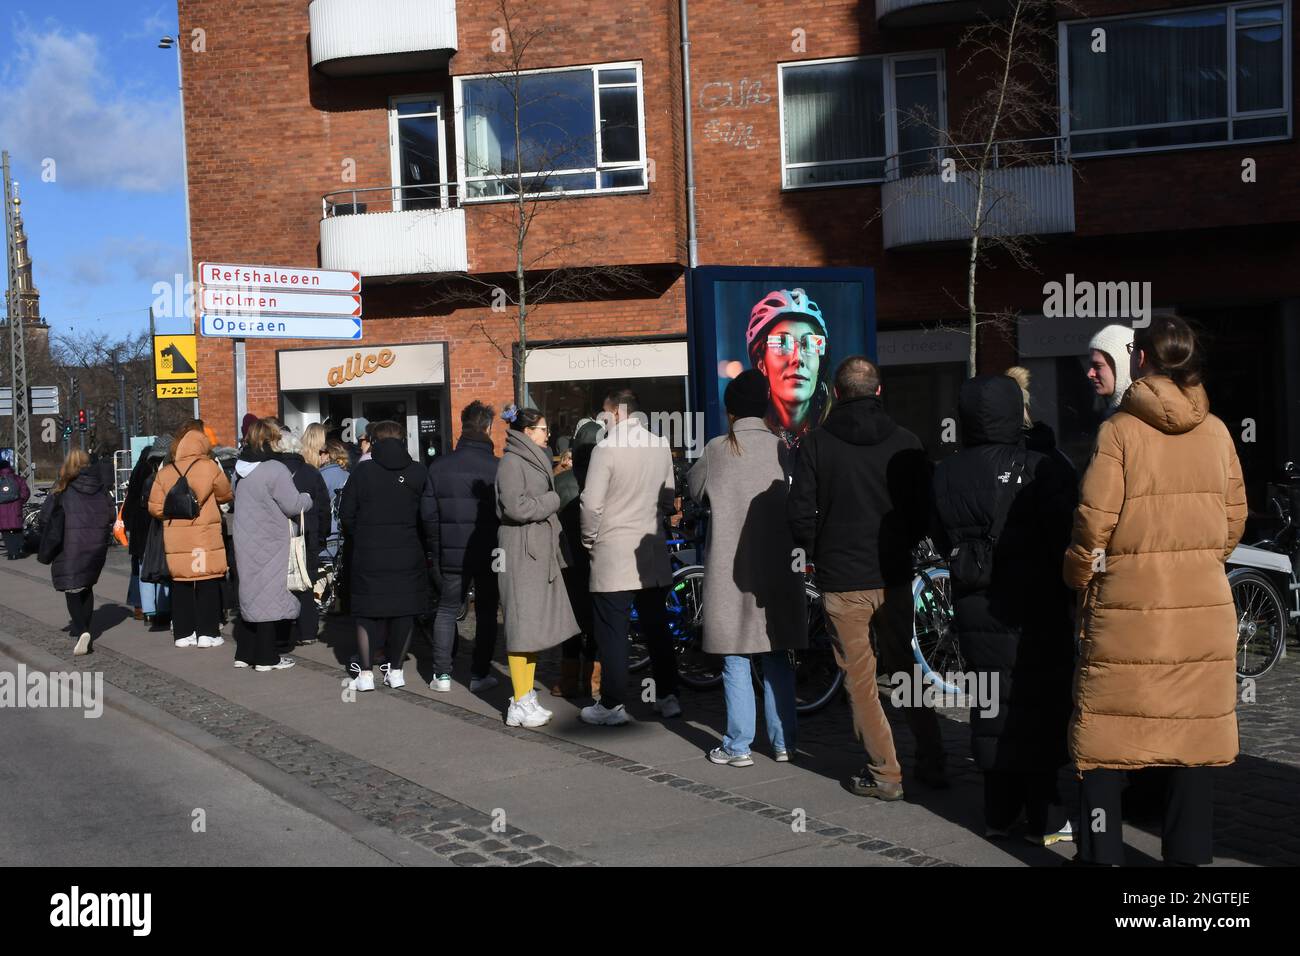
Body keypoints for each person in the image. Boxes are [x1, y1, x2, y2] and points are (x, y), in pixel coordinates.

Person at [1064, 315, 1246, 866]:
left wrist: (1077, 574)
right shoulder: (1216, 431)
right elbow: (1235, 520)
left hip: (1128, 608)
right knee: (1192, 749)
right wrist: (1197, 563)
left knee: (1103, 746)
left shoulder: (1119, 431)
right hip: (1201, 610)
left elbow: (1093, 524)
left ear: (1139, 359)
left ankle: (1106, 860)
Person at [787, 356, 944, 799]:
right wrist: (905, 545)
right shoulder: (907, 442)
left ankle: (885, 773)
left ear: (836, 394)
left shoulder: (815, 443)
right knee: (907, 669)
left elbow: (800, 512)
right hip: (893, 574)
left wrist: (816, 550)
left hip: (842, 578)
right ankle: (933, 758)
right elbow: (923, 511)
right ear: (879, 392)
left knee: (860, 679)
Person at [932, 374, 1078, 844]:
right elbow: (1066, 534)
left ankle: (998, 812)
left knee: (990, 702)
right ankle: (1046, 816)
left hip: (976, 605)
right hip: (1035, 606)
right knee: (1038, 702)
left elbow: (940, 537)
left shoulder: (946, 471)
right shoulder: (1040, 466)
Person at [688, 369, 806, 765]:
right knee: (776, 653)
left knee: (735, 657)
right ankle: (784, 742)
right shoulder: (782, 448)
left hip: (729, 570)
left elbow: (694, 489)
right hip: (779, 569)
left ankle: (738, 746)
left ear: (731, 410)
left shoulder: (719, 449)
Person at [579, 388, 681, 726]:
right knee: (657, 627)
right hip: (650, 551)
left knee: (613, 631)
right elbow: (669, 500)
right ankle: (668, 697)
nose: (603, 421)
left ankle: (612, 704)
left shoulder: (605, 449)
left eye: (605, 415)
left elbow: (591, 504)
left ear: (618, 413)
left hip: (613, 551)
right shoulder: (660, 445)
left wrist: (590, 540)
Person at [495, 405, 578, 727]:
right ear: (528, 432)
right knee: (521, 626)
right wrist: (551, 502)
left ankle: (525, 695)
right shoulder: (512, 462)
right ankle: (519, 700)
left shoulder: (531, 458)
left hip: (534, 548)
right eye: (544, 429)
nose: (548, 434)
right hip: (520, 550)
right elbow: (514, 506)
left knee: (531, 627)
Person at [339, 419, 431, 691]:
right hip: (407, 552)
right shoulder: (418, 472)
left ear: (375, 442)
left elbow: (346, 514)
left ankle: (366, 674)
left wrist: (362, 536)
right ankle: (397, 670)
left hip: (369, 553)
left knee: (367, 612)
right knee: (404, 611)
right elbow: (427, 516)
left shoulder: (362, 472)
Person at [421, 400, 502, 693]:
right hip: (490, 553)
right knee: (487, 612)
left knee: (446, 610)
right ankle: (479, 674)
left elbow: (428, 515)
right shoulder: (498, 467)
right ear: (489, 428)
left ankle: (442, 675)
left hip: (451, 552)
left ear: (462, 427)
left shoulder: (440, 467)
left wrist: (436, 546)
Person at [231, 418, 313, 672]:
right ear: (270, 440)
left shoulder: (239, 468)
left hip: (246, 537)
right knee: (268, 594)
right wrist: (307, 499)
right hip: (271, 539)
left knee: (251, 591)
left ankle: (244, 652)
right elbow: (292, 504)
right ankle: (267, 658)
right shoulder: (274, 469)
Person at [148, 421, 234, 649]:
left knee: (181, 583)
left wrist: (175, 513)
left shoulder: (166, 472)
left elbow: (155, 507)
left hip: (176, 537)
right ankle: (207, 632)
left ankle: (184, 634)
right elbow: (226, 494)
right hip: (205, 534)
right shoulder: (209, 467)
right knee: (206, 582)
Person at [41, 449, 115, 656]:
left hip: (70, 545)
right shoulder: (100, 488)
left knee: (72, 588)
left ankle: (82, 629)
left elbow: (45, 517)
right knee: (87, 585)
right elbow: (111, 514)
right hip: (95, 545)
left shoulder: (62, 489)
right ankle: (85, 628)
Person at [552, 417, 604, 698]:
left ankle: (568, 680)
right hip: (597, 558)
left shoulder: (560, 481)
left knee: (570, 623)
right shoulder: (606, 480)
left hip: (567, 559)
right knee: (596, 621)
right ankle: (595, 681)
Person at [746, 288, 831, 456]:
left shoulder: (836, 438)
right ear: (761, 363)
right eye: (781, 343)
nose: (797, 358)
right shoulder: (748, 444)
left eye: (810, 344)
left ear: (820, 363)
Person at [274, 424, 331, 650]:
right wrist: (322, 535)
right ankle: (307, 631)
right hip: (308, 536)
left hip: (279, 536)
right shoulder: (311, 472)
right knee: (306, 583)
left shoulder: (273, 472)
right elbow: (323, 507)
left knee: (281, 585)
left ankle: (283, 633)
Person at [1086, 324, 1135, 419]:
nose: (1090, 374)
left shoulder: (1139, 421)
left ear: (1122, 366)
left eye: (1098, 366)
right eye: (1091, 366)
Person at [319, 438, 350, 559]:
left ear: (328, 455)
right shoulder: (349, 476)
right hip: (344, 533)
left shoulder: (320, 476)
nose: (319, 455)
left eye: (321, 452)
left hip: (326, 536)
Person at [0, 456, 31, 559]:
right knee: (17, 529)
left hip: (2, 510)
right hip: (15, 508)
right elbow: (26, 492)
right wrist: (19, 502)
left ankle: (12, 553)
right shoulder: (17, 479)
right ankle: (19, 550)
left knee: (6, 531)